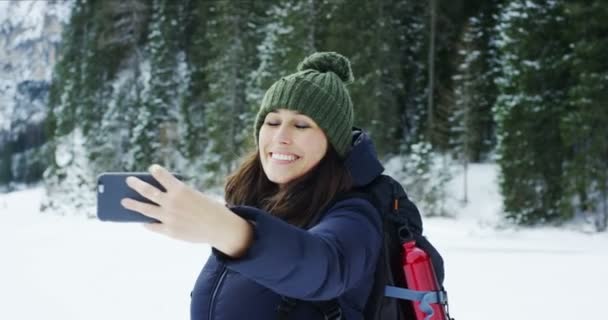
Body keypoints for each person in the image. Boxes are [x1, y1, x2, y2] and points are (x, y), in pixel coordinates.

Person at [121, 52, 386, 320]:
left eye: (301, 125)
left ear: (333, 143)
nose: (281, 136)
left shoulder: (355, 214)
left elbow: (328, 267)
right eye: (272, 122)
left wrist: (229, 230)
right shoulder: (254, 204)